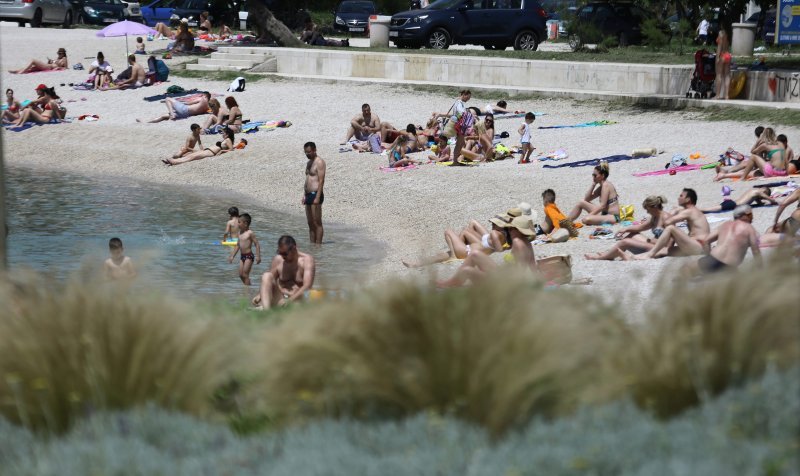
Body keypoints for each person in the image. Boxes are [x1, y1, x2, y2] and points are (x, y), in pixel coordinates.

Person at [436, 215, 538, 288]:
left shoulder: (517, 242)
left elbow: (517, 275)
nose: (509, 230)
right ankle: (450, 282)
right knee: (475, 254)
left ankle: (450, 284)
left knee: (466, 270)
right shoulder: (526, 243)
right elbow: (533, 266)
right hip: (502, 274)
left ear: (518, 231)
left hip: (503, 282)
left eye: (511, 229)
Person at [402, 210, 518, 268]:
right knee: (440, 256)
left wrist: (499, 249)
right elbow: (498, 248)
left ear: (500, 225)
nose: (492, 225)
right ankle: (415, 264)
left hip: (466, 252)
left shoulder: (494, 233)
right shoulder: (504, 235)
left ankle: (453, 256)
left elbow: (498, 250)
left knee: (448, 231)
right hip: (467, 250)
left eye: (494, 223)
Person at [585, 195, 670, 260]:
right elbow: (640, 227)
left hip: (660, 249)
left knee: (625, 242)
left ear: (654, 207)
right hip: (653, 244)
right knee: (633, 234)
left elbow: (670, 243)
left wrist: (655, 245)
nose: (647, 212)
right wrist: (625, 229)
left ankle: (603, 257)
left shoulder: (666, 218)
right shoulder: (655, 217)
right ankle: (609, 253)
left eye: (648, 209)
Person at [684, 205, 761, 275]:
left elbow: (706, 241)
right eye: (750, 215)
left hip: (712, 259)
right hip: (729, 266)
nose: (752, 217)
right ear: (744, 215)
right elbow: (756, 251)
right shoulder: (749, 229)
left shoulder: (725, 225)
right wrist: (761, 269)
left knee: (686, 269)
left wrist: (708, 256)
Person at [635, 188, 710, 260]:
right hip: (696, 246)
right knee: (663, 251)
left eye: (681, 196)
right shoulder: (692, 211)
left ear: (688, 199)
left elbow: (668, 222)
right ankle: (632, 257)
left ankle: (649, 254)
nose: (678, 198)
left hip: (699, 247)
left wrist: (672, 212)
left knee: (670, 228)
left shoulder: (689, 212)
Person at [253, 235, 316, 310]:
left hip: (297, 301)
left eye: (285, 253)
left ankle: (266, 308)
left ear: (294, 248)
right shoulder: (278, 260)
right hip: (281, 298)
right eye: (280, 253)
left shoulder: (307, 260)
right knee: (266, 275)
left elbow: (307, 286)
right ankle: (266, 312)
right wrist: (259, 295)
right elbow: (268, 282)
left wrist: (290, 301)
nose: (282, 256)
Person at [715, 127, 787, 180]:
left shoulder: (765, 144)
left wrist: (759, 140)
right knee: (747, 164)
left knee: (750, 160)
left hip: (771, 171)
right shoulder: (780, 143)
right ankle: (726, 172)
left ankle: (740, 177)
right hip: (783, 172)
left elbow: (753, 152)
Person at [432, 89, 472, 166]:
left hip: (457, 123)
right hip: (459, 124)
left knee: (460, 143)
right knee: (459, 143)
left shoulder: (457, 102)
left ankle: (456, 160)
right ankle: (455, 161)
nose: (468, 99)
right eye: (468, 97)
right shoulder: (459, 103)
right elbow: (461, 113)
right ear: (464, 95)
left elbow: (455, 114)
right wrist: (468, 113)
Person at [163, 126, 234, 165]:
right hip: (208, 150)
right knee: (190, 155)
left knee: (193, 157)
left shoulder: (228, 140)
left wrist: (222, 151)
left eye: (223, 133)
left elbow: (231, 149)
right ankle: (173, 160)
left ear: (227, 134)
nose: (222, 134)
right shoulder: (225, 140)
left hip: (211, 152)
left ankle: (175, 162)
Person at [303, 142, 326, 244]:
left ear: (314, 150)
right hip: (308, 195)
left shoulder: (319, 162)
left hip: (316, 194)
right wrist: (304, 195)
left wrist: (317, 197)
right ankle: (312, 246)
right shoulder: (309, 163)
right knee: (310, 223)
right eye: (306, 152)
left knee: (317, 222)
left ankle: (318, 246)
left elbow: (321, 180)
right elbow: (308, 179)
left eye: (309, 152)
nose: (307, 154)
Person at [228, 213, 261, 285]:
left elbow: (257, 244)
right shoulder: (240, 233)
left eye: (239, 222)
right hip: (242, 256)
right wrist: (232, 256)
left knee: (245, 275)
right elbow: (237, 245)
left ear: (245, 223)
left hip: (249, 256)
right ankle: (248, 287)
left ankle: (247, 291)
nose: (238, 224)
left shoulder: (250, 233)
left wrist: (258, 256)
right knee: (240, 275)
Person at [139, 91, 211, 123]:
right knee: (164, 116)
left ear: (204, 95)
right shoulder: (207, 107)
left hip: (184, 109)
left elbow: (189, 102)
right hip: (186, 115)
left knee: (167, 99)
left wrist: (180, 102)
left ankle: (172, 114)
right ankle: (146, 121)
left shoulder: (201, 98)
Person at [700, 185, 777, 213]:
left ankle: (700, 210)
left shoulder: (754, 192)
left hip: (732, 202)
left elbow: (759, 203)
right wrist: (774, 201)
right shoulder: (758, 192)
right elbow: (771, 200)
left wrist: (762, 202)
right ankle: (699, 210)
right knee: (709, 209)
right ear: (764, 191)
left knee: (713, 208)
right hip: (734, 205)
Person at [714, 29, 731, 100]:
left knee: (719, 75)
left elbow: (719, 48)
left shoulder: (720, 38)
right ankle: (726, 95)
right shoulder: (726, 40)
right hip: (728, 55)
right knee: (727, 75)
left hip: (722, 55)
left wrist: (717, 58)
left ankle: (717, 95)